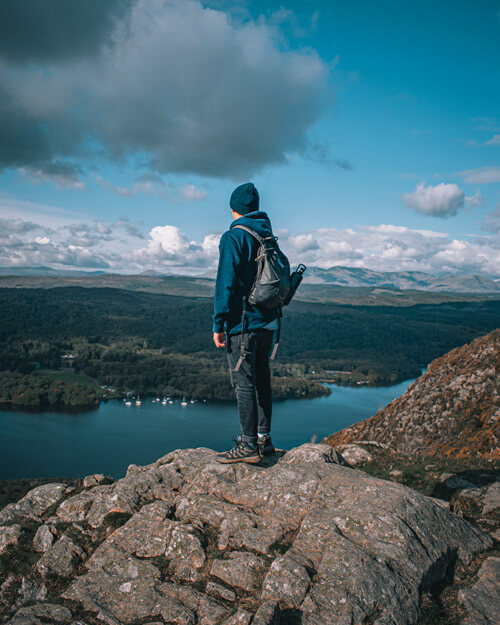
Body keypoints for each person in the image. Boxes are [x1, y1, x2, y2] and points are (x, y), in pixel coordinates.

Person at [213, 182, 278, 463]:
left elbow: (225, 284)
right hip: (269, 323)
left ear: (233, 209)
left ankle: (248, 444)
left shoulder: (234, 236)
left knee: (243, 384)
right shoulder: (267, 235)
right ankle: (264, 439)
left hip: (243, 324)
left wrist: (219, 324)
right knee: (262, 379)